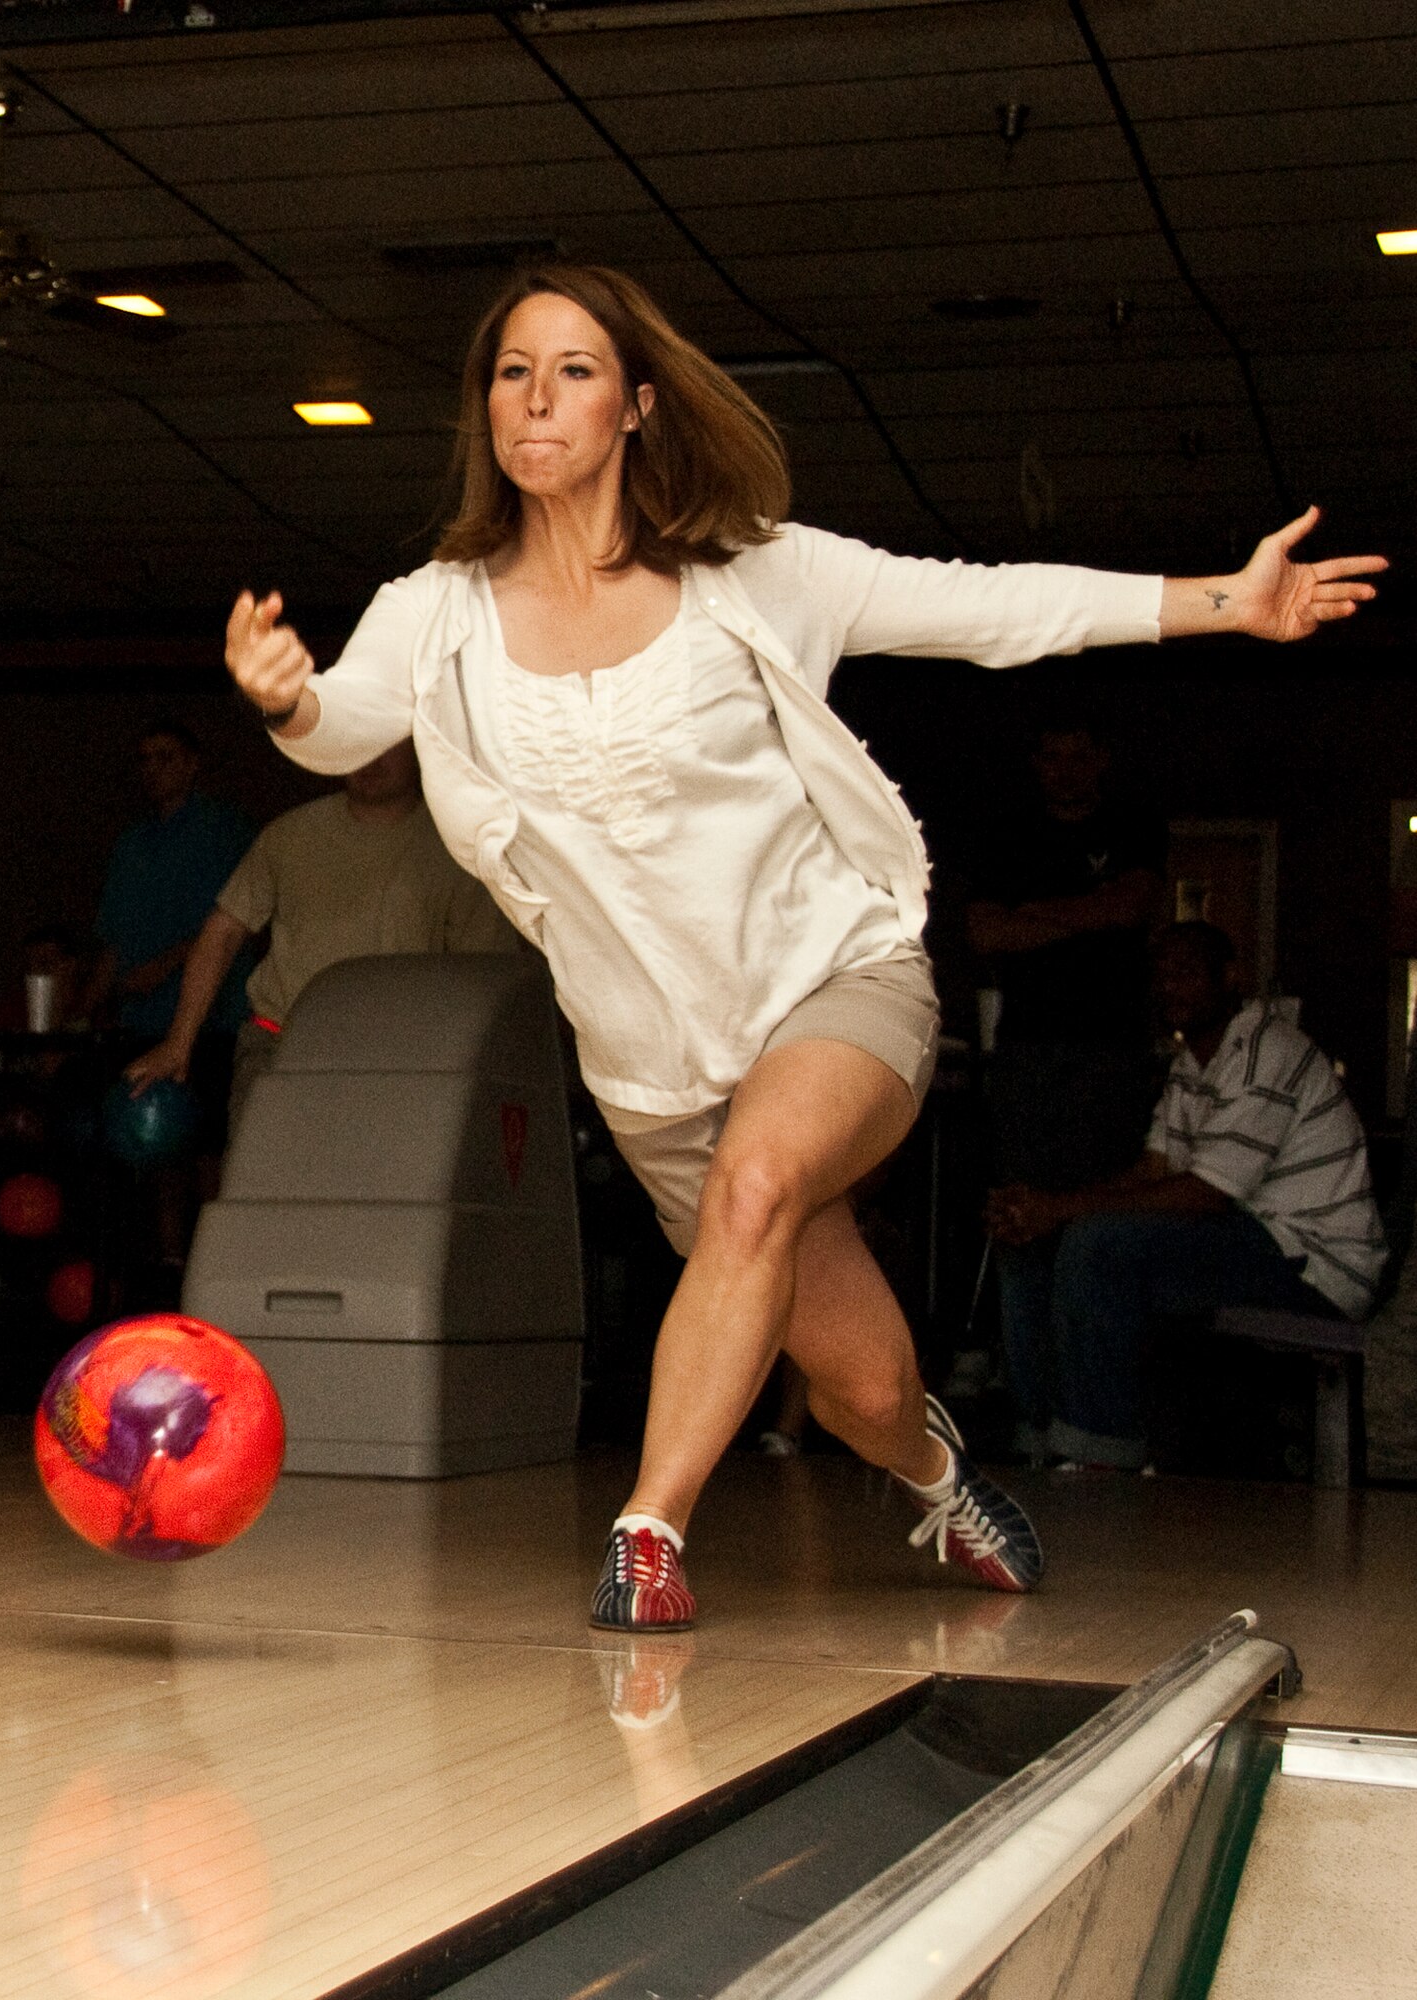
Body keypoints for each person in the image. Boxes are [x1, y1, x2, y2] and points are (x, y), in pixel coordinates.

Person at [220, 263, 1385, 1631]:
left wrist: (1216, 603)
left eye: (573, 369)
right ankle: (940, 1482)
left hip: (834, 983)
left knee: (760, 1182)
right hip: (655, 1069)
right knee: (865, 1389)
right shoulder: (440, 609)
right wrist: (286, 700)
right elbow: (349, 721)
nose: (534, 397)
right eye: (510, 372)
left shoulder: (756, 576)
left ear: (637, 405)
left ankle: (647, 1535)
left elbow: (988, 608)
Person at [986, 922, 1387, 1470]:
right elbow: (1153, 1169)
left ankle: (1104, 1455)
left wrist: (1060, 1209)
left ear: (1230, 978)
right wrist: (1041, 1211)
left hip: (1315, 1264)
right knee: (1034, 1245)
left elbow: (1206, 1194)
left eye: (1186, 973)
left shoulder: (1266, 1050)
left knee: (1100, 1246)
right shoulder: (1192, 1063)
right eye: (1162, 975)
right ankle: (1041, 1438)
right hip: (1249, 1240)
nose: (1169, 987)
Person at [125, 740, 517, 1130]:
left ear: (418, 749)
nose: (370, 755)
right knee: (264, 1185)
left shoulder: (456, 848)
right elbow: (223, 930)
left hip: (401, 1062)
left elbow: (484, 977)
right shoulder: (289, 835)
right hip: (282, 1048)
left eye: (386, 742)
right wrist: (179, 1042)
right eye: (358, 738)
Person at [967, 717, 1167, 1452]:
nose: (1065, 769)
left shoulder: (1134, 825)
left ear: (1101, 760)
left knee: (1096, 1224)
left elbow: (1132, 905)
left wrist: (1038, 915)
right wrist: (1087, 916)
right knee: (1019, 1220)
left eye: (1079, 753)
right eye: (1052, 754)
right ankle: (1033, 1418)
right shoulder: (1006, 835)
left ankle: (1093, 1420)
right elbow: (987, 933)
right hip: (1026, 1056)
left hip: (1112, 1057)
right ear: (1037, 764)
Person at [84, 719, 254, 1044]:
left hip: (210, 1022)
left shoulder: (224, 831)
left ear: (192, 765)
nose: (152, 769)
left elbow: (241, 921)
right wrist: (84, 1010)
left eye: (165, 758)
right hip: (139, 1020)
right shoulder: (132, 844)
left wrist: (164, 966)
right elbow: (113, 940)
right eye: (145, 759)